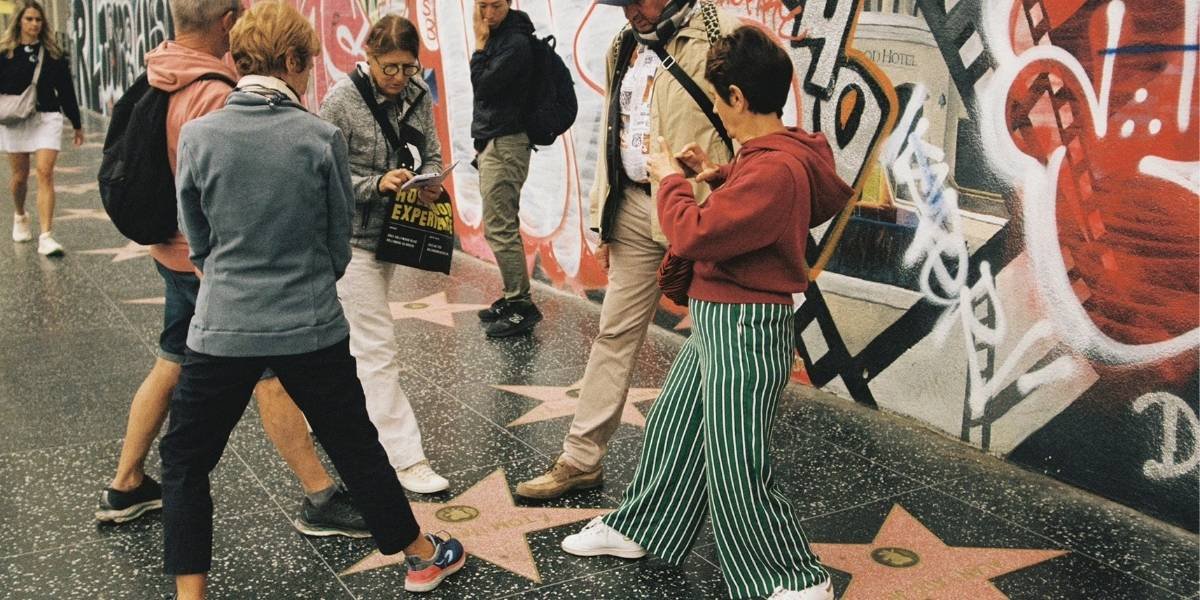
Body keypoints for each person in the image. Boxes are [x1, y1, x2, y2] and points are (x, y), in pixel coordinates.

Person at [162, 3, 465, 598]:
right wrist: (303, 283)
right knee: (356, 445)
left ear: (240, 60)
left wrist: (229, 283)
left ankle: (190, 595)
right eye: (308, 64)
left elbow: (196, 238)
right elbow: (336, 241)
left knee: (186, 460)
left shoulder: (199, 137)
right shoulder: (318, 137)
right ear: (296, 61)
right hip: (311, 326)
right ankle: (421, 558)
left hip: (222, 327)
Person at [560, 26, 850, 600]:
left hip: (744, 325)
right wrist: (714, 174)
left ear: (738, 99)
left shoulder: (775, 170)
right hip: (723, 317)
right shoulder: (770, 158)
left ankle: (793, 578)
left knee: (737, 463)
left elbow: (693, 232)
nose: (716, 107)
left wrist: (670, 179)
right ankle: (642, 526)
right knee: (675, 426)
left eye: (718, 98)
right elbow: (751, 206)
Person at [95, 0, 368, 542]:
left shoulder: (161, 69)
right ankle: (321, 497)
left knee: (172, 360)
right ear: (227, 24)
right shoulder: (219, 95)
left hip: (173, 255)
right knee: (272, 375)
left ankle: (126, 484)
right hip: (224, 273)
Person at [516, 0, 737, 500]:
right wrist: (603, 220)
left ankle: (725, 474)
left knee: (716, 346)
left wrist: (734, 205)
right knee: (614, 333)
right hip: (635, 207)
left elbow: (751, 124)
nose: (633, 10)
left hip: (703, 211)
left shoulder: (721, 32)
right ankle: (580, 459)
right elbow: (614, 130)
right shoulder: (625, 42)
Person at [318, 14, 449, 494]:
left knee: (357, 343)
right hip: (350, 241)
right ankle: (405, 457)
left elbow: (432, 153)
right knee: (377, 348)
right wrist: (376, 184)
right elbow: (322, 178)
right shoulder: (340, 102)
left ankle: (331, 419)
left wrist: (430, 180)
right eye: (388, 67)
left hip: (393, 236)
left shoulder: (417, 94)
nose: (398, 78)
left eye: (407, 67)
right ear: (368, 56)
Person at [470, 0, 543, 338]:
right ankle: (514, 296)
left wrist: (480, 44)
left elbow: (483, 87)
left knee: (499, 226)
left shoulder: (514, 42)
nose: (487, 14)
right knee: (501, 223)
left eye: (495, 5)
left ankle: (521, 306)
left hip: (506, 143)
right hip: (495, 142)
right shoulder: (503, 36)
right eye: (482, 6)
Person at [0, 0, 82, 256]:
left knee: (45, 172)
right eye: (29, 19)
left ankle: (46, 236)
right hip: (16, 119)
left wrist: (76, 123)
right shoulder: (5, 53)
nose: (34, 24)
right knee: (19, 178)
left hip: (47, 116)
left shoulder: (53, 53)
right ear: (19, 22)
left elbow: (66, 90)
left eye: (38, 20)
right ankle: (20, 214)